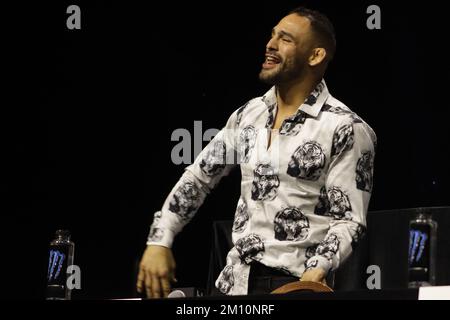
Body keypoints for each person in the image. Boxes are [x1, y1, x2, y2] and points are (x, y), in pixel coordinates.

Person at [137, 6, 376, 298]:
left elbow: (349, 220)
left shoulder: (345, 127)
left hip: (294, 284)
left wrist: (315, 273)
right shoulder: (249, 115)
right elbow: (199, 178)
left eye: (285, 39)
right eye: (272, 35)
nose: (270, 44)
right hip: (232, 283)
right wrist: (160, 239)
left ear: (316, 55)